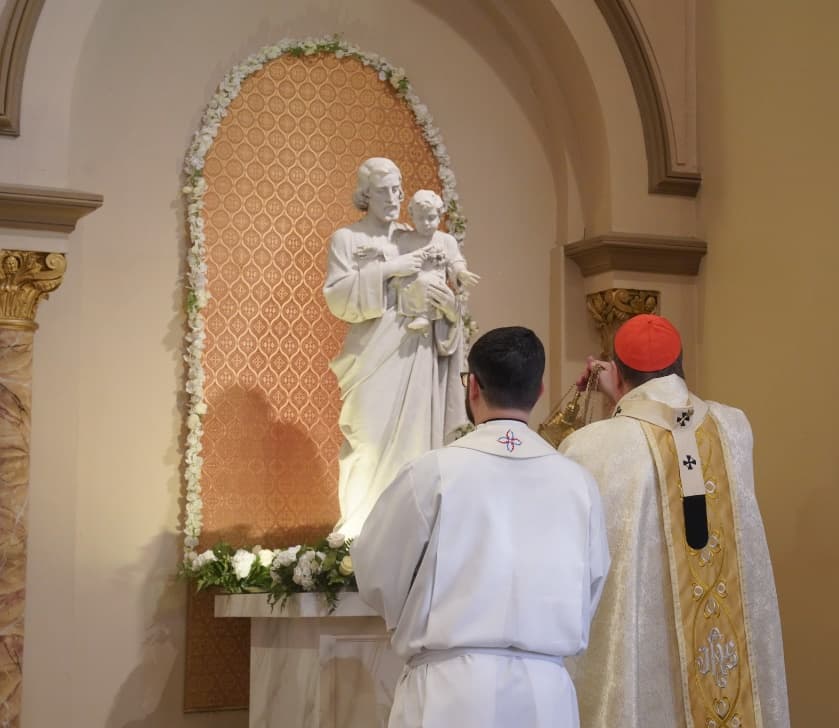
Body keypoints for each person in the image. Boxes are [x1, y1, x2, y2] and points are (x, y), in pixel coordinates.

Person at [351, 326, 611, 728]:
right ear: (540, 390)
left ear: (472, 386)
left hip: (448, 693)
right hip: (546, 696)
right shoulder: (579, 484)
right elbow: (593, 585)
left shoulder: (432, 473)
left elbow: (375, 573)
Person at [559, 314, 790, 728]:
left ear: (620, 375)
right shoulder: (735, 427)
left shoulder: (592, 445)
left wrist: (610, 402)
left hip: (646, 661)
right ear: (680, 366)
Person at [323, 157, 468, 537]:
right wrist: (391, 269)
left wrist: (450, 311)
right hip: (371, 355)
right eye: (384, 190)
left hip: (416, 353)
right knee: (367, 441)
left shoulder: (416, 235)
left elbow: (445, 291)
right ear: (365, 194)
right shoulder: (347, 238)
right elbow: (339, 298)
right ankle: (360, 533)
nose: (393, 197)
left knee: (415, 449)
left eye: (398, 189)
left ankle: (408, 534)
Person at [393, 189, 479, 332]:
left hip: (435, 285)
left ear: (440, 217)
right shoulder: (405, 240)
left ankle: (424, 316)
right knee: (420, 282)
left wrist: (460, 272)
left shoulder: (446, 240)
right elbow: (397, 263)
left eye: (431, 217)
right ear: (412, 217)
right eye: (420, 218)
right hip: (410, 287)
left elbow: (455, 260)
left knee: (427, 283)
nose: (426, 223)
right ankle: (421, 316)